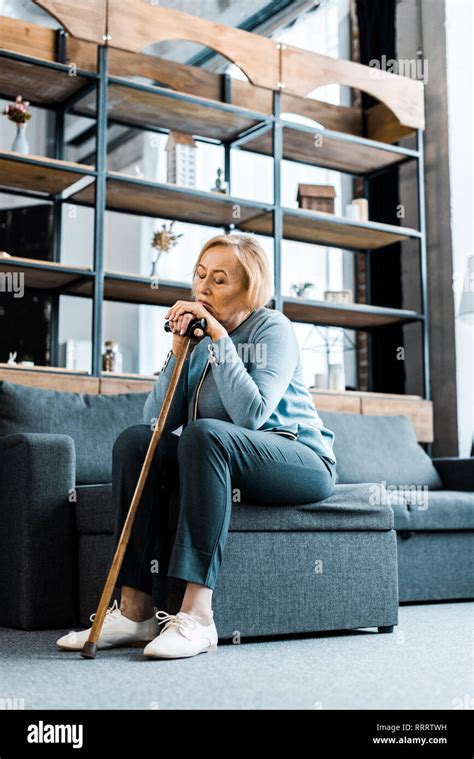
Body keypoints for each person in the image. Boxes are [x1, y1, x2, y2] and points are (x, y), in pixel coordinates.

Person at [57, 233, 336, 659]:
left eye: (219, 280)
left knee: (204, 433)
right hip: (224, 454)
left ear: (250, 289)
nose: (202, 288)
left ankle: (199, 617)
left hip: (297, 459)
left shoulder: (272, 328)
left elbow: (253, 416)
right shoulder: (198, 341)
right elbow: (157, 422)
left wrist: (222, 341)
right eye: (200, 276)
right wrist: (178, 351)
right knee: (135, 442)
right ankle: (135, 611)